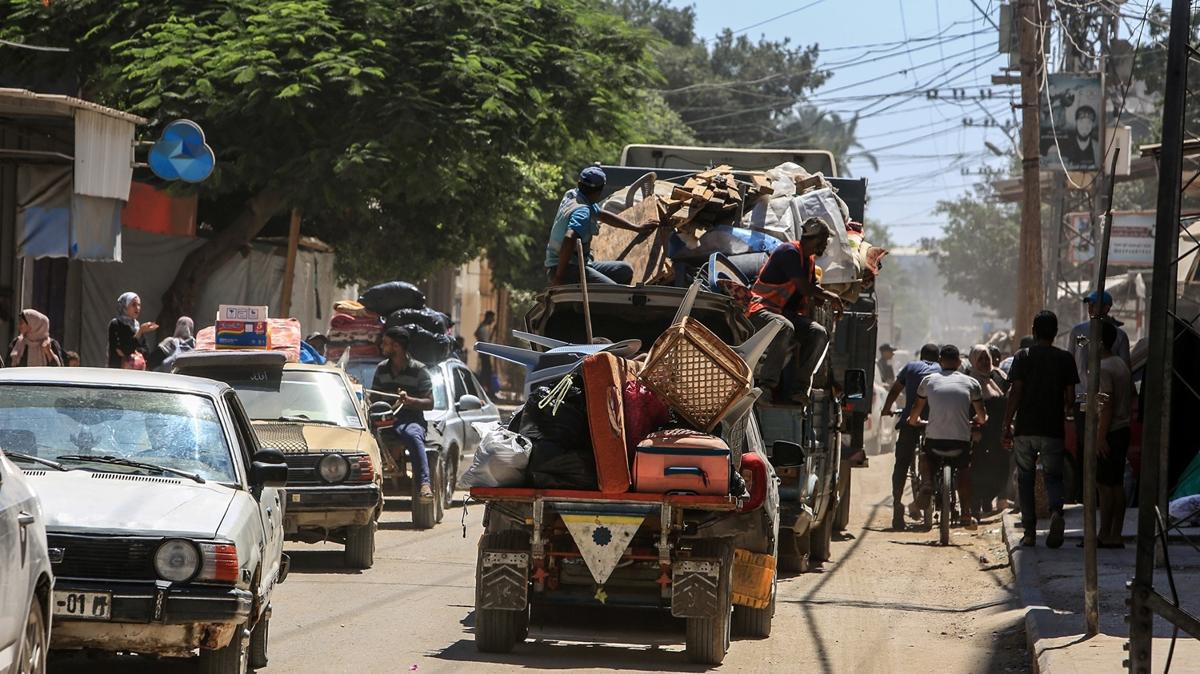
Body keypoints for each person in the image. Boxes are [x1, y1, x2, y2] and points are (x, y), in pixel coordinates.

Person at [1002, 311, 1079, 548]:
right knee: (1053, 477)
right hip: (1052, 428)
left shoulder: (1022, 356)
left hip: (1026, 428)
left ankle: (1030, 533)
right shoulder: (1065, 358)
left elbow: (1016, 392)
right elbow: (1069, 398)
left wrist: (1007, 424)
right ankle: (1056, 512)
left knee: (1025, 479)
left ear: (1034, 331)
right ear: (1055, 333)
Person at [747, 217, 843, 405]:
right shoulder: (789, 252)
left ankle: (799, 389)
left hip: (782, 313)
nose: (825, 244)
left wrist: (824, 300)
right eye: (823, 239)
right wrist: (831, 297)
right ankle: (766, 387)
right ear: (814, 239)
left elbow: (812, 289)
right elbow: (804, 288)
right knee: (785, 327)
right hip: (760, 308)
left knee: (818, 333)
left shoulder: (809, 260)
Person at [907, 345, 987, 530]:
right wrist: (980, 420)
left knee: (926, 456)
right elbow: (981, 417)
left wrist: (914, 421)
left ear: (940, 362)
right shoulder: (971, 383)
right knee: (965, 470)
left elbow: (915, 411)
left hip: (935, 440)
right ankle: (966, 513)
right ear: (959, 362)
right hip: (960, 441)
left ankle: (927, 483)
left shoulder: (928, 380)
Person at [546, 166, 659, 286]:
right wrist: (559, 276)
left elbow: (602, 216)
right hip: (566, 270)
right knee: (616, 293)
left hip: (577, 265)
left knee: (624, 271)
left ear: (579, 184)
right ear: (600, 191)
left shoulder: (573, 195)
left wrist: (636, 228)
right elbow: (569, 238)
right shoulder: (582, 212)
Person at [1067, 290, 1131, 503]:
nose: (1090, 308)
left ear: (1106, 308)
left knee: (1095, 446)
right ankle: (1087, 492)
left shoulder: (1117, 335)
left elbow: (1123, 370)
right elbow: (1074, 365)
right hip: (1084, 399)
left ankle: (1093, 493)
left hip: (1101, 399)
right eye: (1089, 304)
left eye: (1095, 304)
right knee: (1087, 445)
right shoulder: (1080, 332)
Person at [881, 343, 942, 530]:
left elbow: (895, 389)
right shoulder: (942, 369)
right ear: (938, 358)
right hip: (935, 423)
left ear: (921, 355)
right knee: (938, 458)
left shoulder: (911, 367)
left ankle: (898, 504)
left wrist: (886, 408)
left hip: (910, 420)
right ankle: (941, 495)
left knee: (902, 462)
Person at [373, 327, 436, 502]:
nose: (382, 346)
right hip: (385, 420)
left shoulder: (419, 370)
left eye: (385, 343)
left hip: (410, 419)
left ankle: (424, 484)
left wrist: (409, 400)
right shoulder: (381, 369)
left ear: (397, 346)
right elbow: (374, 398)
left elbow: (430, 403)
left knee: (412, 435)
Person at [1095, 320, 1133, 548]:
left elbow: (1106, 405)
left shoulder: (1105, 368)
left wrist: (1100, 437)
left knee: (1105, 486)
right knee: (1116, 484)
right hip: (1122, 429)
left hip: (1111, 432)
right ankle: (1115, 533)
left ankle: (1105, 533)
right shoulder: (1120, 364)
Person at [966, 344, 1008, 516]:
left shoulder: (999, 377)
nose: (984, 362)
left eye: (986, 359)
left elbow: (1008, 399)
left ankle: (989, 498)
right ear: (973, 361)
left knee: (1001, 465)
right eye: (980, 359)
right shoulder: (968, 380)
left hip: (998, 431)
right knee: (978, 467)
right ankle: (975, 503)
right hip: (978, 432)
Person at [107, 292, 158, 369]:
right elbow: (124, 350)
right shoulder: (116, 324)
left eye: (139, 305)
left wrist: (135, 351)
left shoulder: (136, 326)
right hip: (119, 373)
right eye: (134, 305)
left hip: (136, 374)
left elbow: (146, 352)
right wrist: (140, 332)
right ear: (125, 306)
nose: (137, 308)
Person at [1059, 105, 1101, 169]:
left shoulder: (1097, 148)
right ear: (1076, 122)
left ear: (1093, 125)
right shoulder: (1065, 145)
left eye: (1089, 122)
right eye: (1081, 121)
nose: (1085, 126)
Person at [474, 310, 498, 396]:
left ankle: (487, 391)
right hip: (484, 353)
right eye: (492, 318)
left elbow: (488, 340)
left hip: (486, 352)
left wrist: (493, 332)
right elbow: (476, 334)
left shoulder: (485, 327)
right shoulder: (482, 327)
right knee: (486, 372)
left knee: (487, 372)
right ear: (488, 317)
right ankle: (486, 391)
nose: (493, 320)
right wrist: (482, 345)